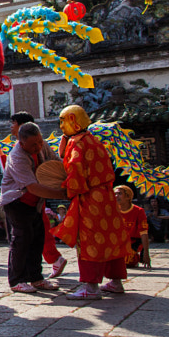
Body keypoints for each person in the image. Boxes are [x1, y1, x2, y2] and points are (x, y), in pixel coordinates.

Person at [53, 105, 130, 300]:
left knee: (89, 240)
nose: (61, 125)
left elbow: (76, 170)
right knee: (110, 237)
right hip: (106, 196)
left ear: (73, 120)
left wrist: (69, 192)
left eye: (63, 120)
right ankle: (116, 281)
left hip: (89, 197)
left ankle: (91, 286)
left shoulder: (77, 142)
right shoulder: (94, 140)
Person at [0, 111, 67, 279]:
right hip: (17, 201)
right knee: (21, 241)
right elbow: (32, 187)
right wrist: (62, 194)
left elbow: (56, 162)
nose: (38, 147)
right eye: (34, 145)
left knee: (37, 240)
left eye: (40, 142)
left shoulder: (41, 144)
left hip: (35, 202)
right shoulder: (17, 156)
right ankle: (17, 280)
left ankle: (36, 278)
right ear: (22, 142)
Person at [115, 186, 150, 269]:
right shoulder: (113, 210)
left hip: (132, 242)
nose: (116, 196)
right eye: (115, 194)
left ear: (128, 196)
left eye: (119, 194)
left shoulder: (138, 211)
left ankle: (136, 257)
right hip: (117, 242)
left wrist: (146, 253)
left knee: (127, 260)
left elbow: (144, 233)